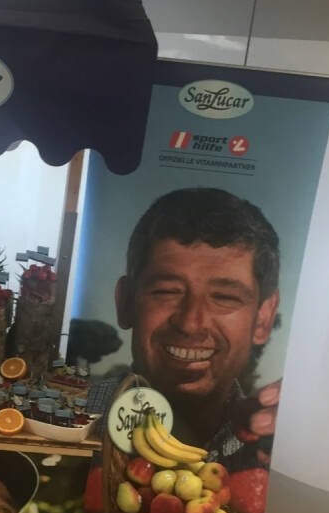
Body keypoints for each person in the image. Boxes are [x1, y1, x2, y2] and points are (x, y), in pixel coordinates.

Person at [87, 187, 281, 470]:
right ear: (125, 303)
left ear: (263, 318)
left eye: (225, 297)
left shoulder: (284, 447)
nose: (190, 324)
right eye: (166, 292)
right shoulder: (72, 419)